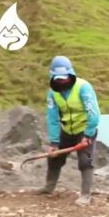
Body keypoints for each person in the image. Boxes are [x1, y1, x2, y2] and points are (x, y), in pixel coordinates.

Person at [37, 56, 100, 206]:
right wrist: (54, 141)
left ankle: (85, 195)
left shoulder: (83, 88)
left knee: (86, 161)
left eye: (65, 78)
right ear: (52, 77)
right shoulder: (53, 93)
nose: (62, 81)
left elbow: (94, 114)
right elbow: (52, 118)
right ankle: (48, 187)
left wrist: (88, 134)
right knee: (54, 157)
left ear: (71, 75)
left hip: (85, 130)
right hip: (66, 130)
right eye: (58, 79)